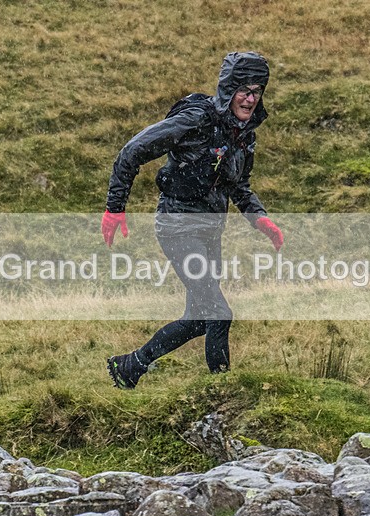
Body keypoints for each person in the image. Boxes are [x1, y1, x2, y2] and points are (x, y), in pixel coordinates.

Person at [101, 51, 284, 389]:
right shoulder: (196, 119)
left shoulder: (243, 134)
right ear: (228, 89)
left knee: (200, 317)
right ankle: (222, 389)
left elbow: (238, 185)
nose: (250, 98)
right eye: (243, 90)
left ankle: (130, 366)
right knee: (219, 313)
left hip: (211, 229)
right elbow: (132, 151)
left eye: (257, 91)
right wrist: (115, 208)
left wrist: (260, 219)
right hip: (177, 225)